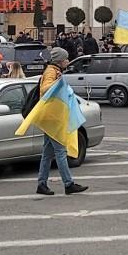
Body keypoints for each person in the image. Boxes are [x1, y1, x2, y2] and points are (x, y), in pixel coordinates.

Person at [35, 47, 88, 196]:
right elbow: (46, 89)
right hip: (52, 118)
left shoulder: (52, 70)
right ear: (59, 60)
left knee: (47, 153)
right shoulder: (52, 72)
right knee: (61, 152)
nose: (68, 61)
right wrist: (59, 83)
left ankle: (42, 184)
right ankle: (68, 184)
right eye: (66, 59)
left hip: (50, 117)